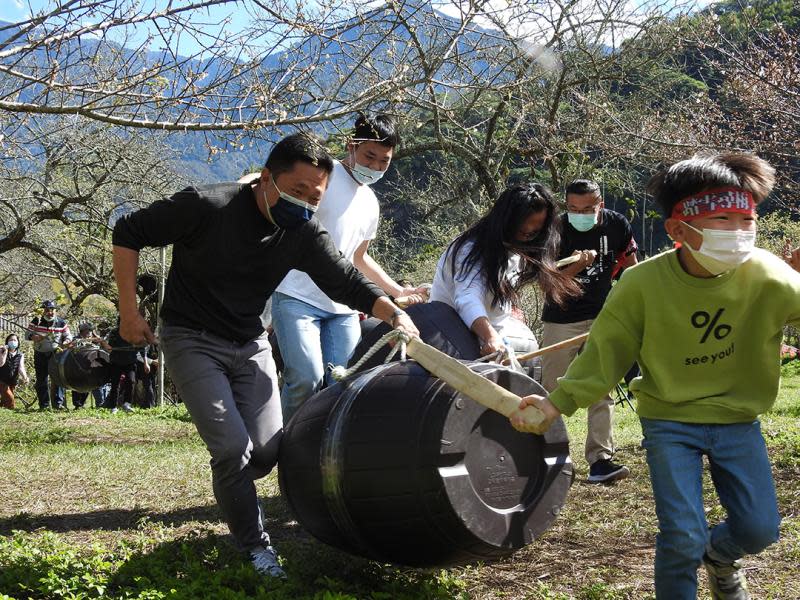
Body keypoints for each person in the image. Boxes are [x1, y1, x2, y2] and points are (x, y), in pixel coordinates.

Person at [111, 132, 418, 580]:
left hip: (250, 342)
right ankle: (256, 547)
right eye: (297, 191)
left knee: (270, 449)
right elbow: (128, 231)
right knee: (233, 449)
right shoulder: (206, 205)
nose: (306, 203)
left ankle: (232, 486)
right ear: (266, 179)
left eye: (316, 197)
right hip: (191, 338)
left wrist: (392, 312)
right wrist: (128, 312)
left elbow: (345, 281)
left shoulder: (302, 233)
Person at [511, 152, 800, 600]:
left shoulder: (770, 275)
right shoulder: (641, 284)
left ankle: (720, 556)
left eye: (747, 219)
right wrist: (554, 404)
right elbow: (604, 353)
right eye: (722, 219)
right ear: (678, 230)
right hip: (669, 421)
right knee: (682, 536)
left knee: (760, 529)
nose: (739, 232)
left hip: (739, 420)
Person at [268, 114, 426, 422]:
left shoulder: (371, 203)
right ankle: (287, 446)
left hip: (343, 307)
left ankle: (321, 447)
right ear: (351, 145)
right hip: (296, 295)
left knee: (344, 382)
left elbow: (360, 258)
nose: (376, 166)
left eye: (385, 161)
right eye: (370, 156)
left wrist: (397, 291)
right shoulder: (323, 177)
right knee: (305, 378)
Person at [539, 179, 638, 483]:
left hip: (602, 316)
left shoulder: (616, 224)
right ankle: (549, 459)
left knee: (601, 387)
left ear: (600, 205)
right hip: (561, 318)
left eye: (586, 209)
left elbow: (632, 265)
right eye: (572, 208)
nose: (579, 213)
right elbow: (547, 282)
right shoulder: (554, 229)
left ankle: (600, 460)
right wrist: (576, 268)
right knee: (551, 390)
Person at [429, 183, 580, 377]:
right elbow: (467, 298)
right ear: (506, 220)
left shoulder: (518, 249)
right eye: (523, 227)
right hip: (450, 333)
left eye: (535, 229)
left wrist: (507, 310)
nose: (529, 232)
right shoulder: (470, 248)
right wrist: (489, 336)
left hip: (495, 334)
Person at [27, 300, 72, 410]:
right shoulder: (36, 321)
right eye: (47, 310)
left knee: (58, 378)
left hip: (55, 354)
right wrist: (33, 337)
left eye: (52, 310)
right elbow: (27, 334)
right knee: (42, 379)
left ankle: (58, 404)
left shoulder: (61, 322)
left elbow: (69, 336)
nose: (50, 312)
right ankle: (44, 405)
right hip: (40, 354)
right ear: (43, 311)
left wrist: (66, 342)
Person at [70, 322, 109, 409]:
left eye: (90, 330)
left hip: (92, 367)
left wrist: (97, 338)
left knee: (94, 383)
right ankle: (78, 404)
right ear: (82, 331)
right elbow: (70, 348)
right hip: (78, 367)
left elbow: (105, 347)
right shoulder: (76, 339)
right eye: (87, 331)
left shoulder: (93, 339)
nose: (89, 333)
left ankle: (100, 404)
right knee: (79, 385)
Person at [0, 334, 30, 409]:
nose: (12, 342)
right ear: (7, 342)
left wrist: (25, 377)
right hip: (2, 379)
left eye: (14, 340)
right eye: (10, 340)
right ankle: (10, 408)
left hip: (12, 380)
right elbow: (1, 363)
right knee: (10, 400)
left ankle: (3, 407)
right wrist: (4, 353)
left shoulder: (20, 354)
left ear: (18, 342)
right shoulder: (2, 351)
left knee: (5, 399)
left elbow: (21, 367)